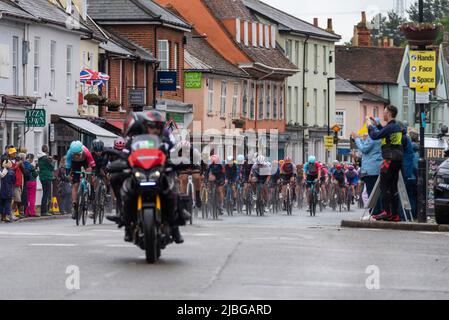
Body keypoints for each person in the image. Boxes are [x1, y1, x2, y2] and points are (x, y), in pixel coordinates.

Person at [109, 111, 186, 244]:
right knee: (117, 180)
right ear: (145, 126)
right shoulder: (135, 138)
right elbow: (126, 153)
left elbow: (174, 152)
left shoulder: (166, 139)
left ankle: (175, 227)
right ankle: (125, 220)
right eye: (152, 126)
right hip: (139, 172)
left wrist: (179, 160)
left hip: (159, 171)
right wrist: (120, 162)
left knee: (171, 190)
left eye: (159, 126)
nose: (155, 129)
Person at [368, 105, 404, 222]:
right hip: (397, 160)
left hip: (388, 159)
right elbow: (385, 132)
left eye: (384, 112)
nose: (382, 115)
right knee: (393, 187)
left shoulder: (390, 128)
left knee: (384, 186)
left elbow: (375, 136)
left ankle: (386, 212)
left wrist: (369, 126)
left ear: (389, 113)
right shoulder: (396, 126)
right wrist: (377, 125)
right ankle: (394, 214)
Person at [353, 130, 383, 215]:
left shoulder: (373, 137)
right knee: (374, 192)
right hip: (374, 168)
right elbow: (367, 147)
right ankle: (375, 211)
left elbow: (364, 149)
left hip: (371, 170)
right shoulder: (377, 137)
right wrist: (362, 140)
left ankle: (374, 212)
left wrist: (357, 138)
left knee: (372, 193)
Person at [65, 141, 96, 219]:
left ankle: (91, 189)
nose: (76, 156)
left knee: (89, 173)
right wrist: (68, 173)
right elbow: (68, 165)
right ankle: (75, 204)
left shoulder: (86, 151)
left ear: (81, 152)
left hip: (85, 162)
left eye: (78, 154)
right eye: (74, 155)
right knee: (75, 184)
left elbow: (92, 164)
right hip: (75, 164)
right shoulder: (69, 153)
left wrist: (92, 171)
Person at [38, 145, 55, 217]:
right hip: (47, 177)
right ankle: (44, 211)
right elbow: (52, 167)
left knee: (45, 193)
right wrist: (52, 161)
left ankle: (44, 210)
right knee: (46, 194)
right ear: (46, 149)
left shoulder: (40, 158)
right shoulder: (45, 158)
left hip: (42, 177)